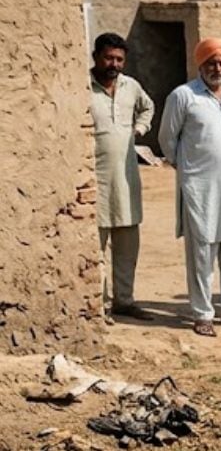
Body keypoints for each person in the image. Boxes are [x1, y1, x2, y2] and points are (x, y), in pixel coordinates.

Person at [159, 37, 221, 337]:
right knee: (202, 251)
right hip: (199, 187)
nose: (217, 67)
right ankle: (202, 313)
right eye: (211, 62)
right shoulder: (183, 96)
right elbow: (167, 140)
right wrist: (188, 169)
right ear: (200, 64)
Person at [87, 32, 156, 323]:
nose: (114, 64)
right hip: (95, 181)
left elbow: (148, 107)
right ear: (96, 57)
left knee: (127, 246)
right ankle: (98, 306)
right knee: (97, 248)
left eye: (119, 59)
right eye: (108, 58)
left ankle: (124, 301)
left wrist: (139, 129)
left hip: (127, 180)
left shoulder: (131, 86)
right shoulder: (83, 87)